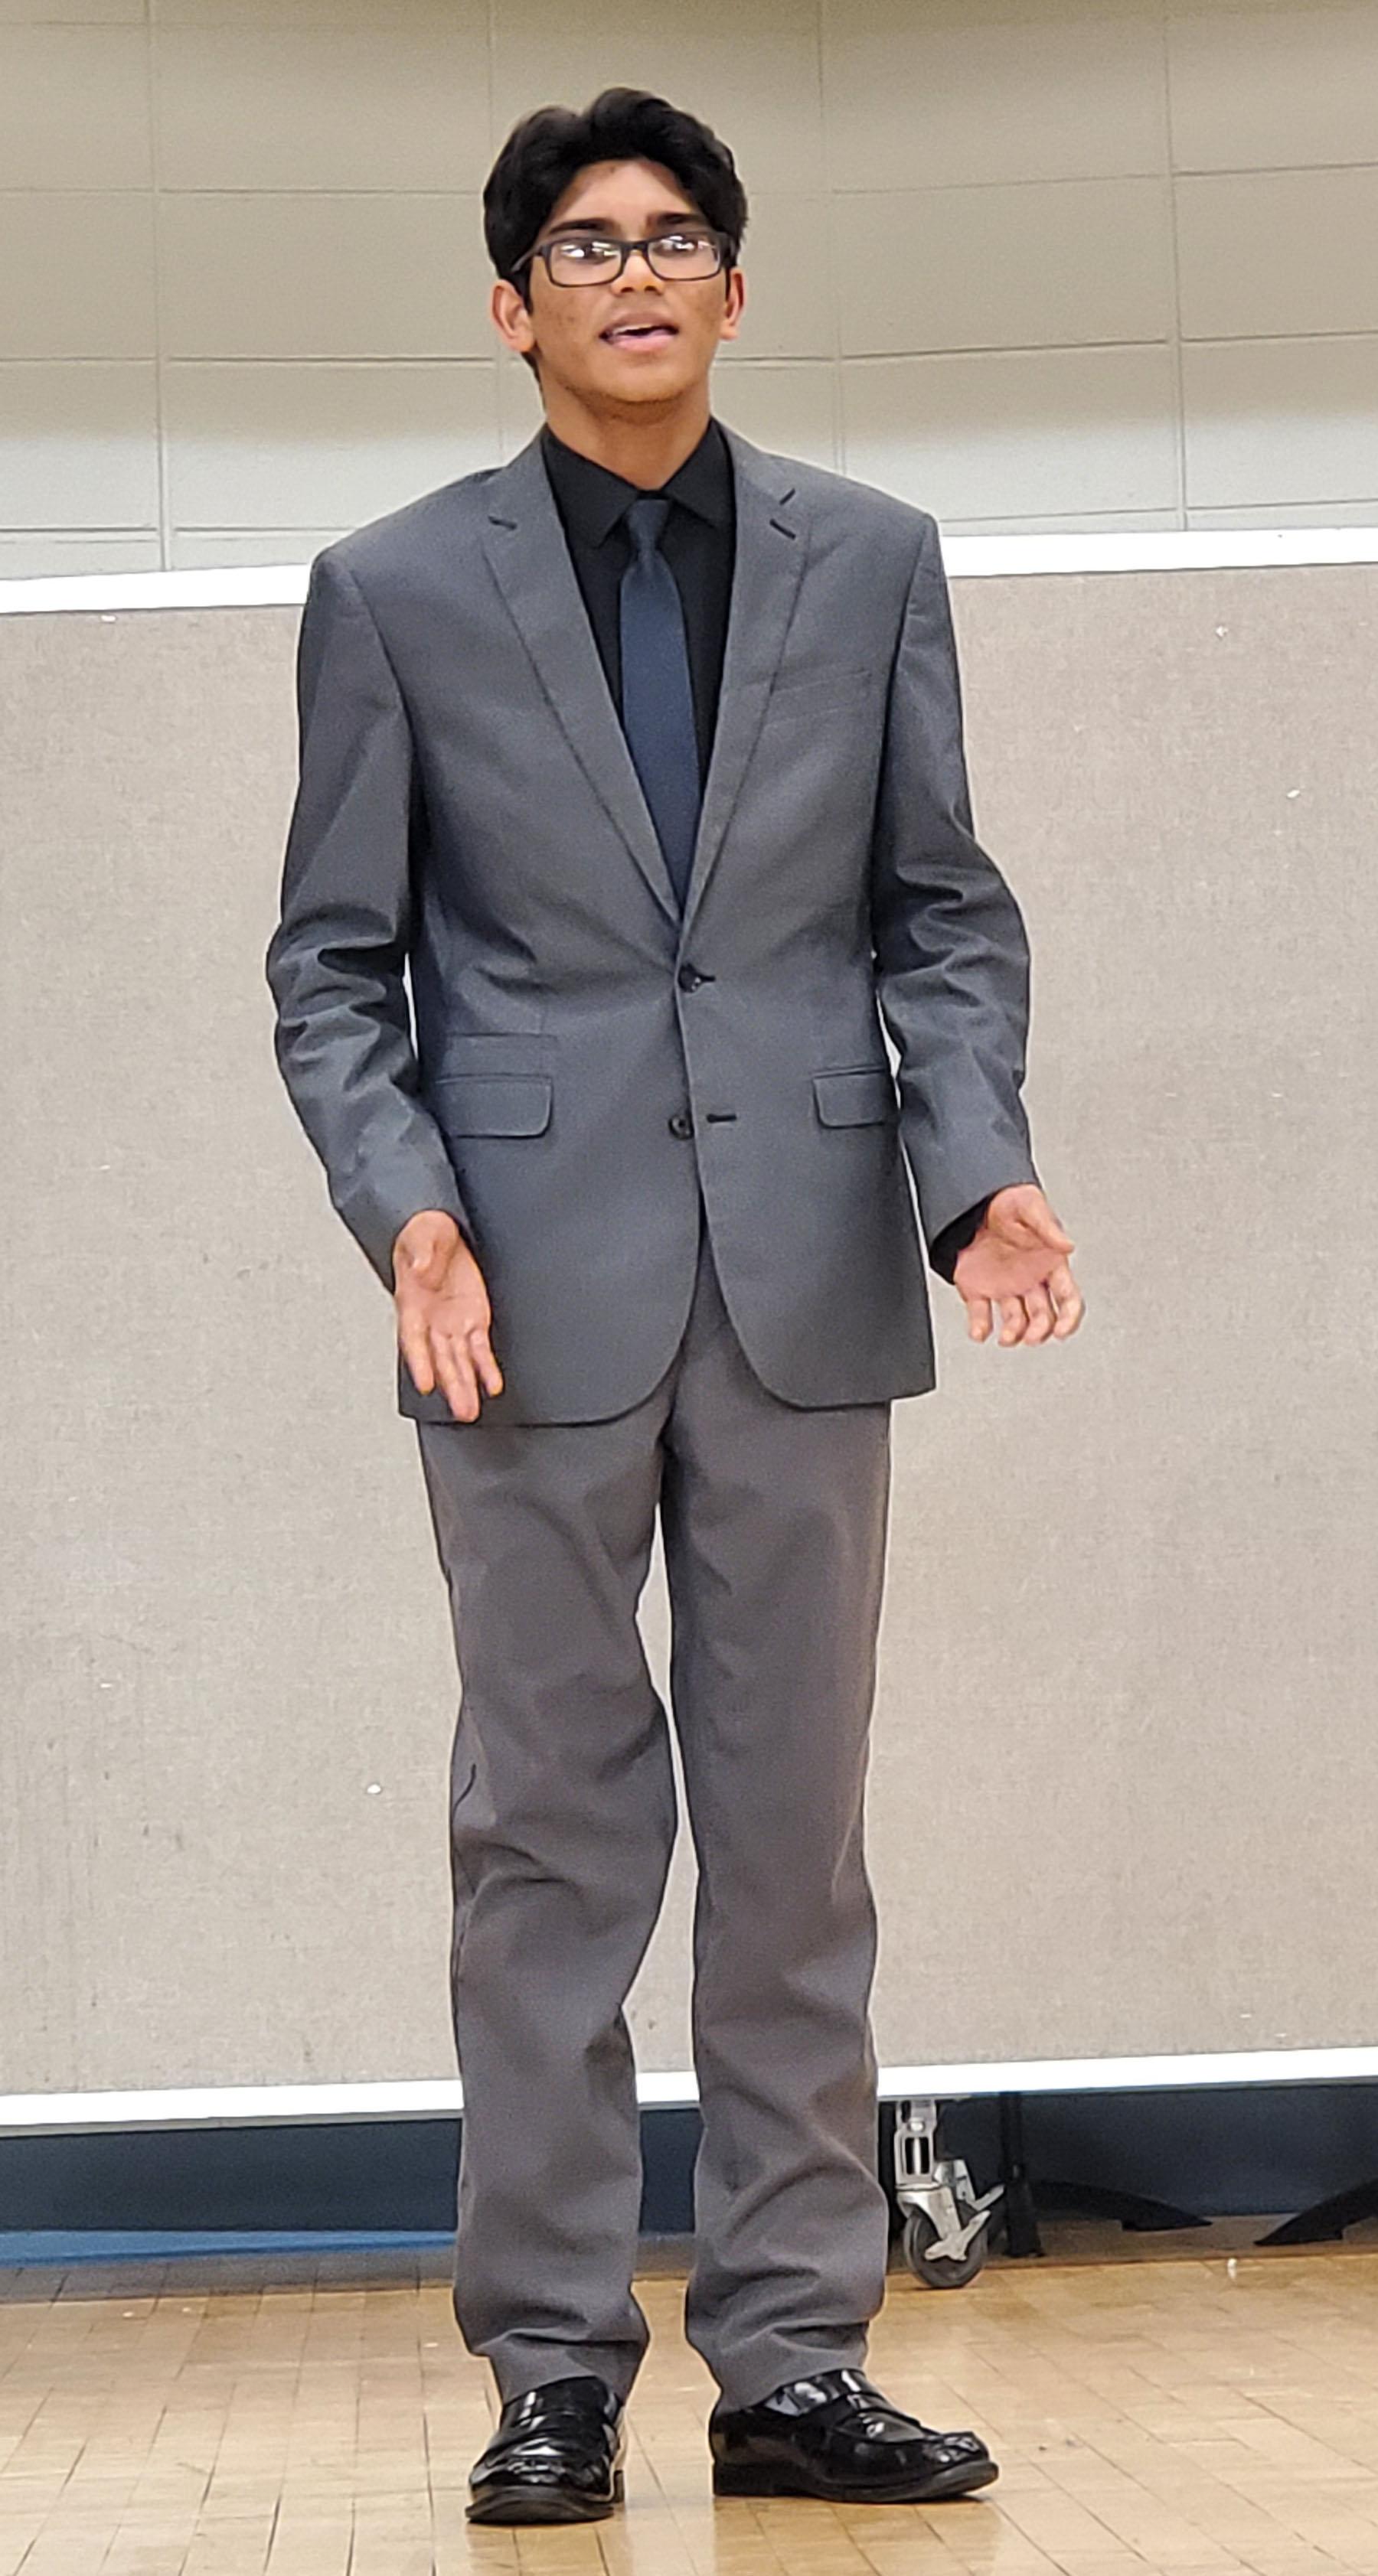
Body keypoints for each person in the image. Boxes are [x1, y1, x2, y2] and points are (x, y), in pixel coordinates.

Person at [265, 83, 1083, 2527]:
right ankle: (549, 2363)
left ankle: (794, 2359)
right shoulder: (395, 587)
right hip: (513, 1299)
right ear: (509, 306)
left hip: (811, 1278)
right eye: (587, 245)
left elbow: (940, 909)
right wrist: (407, 1213)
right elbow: (333, 965)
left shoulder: (873, 560)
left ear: (735, 284)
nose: (636, 275)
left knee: (796, 1843)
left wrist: (979, 1170)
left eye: (676, 237)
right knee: (546, 1843)